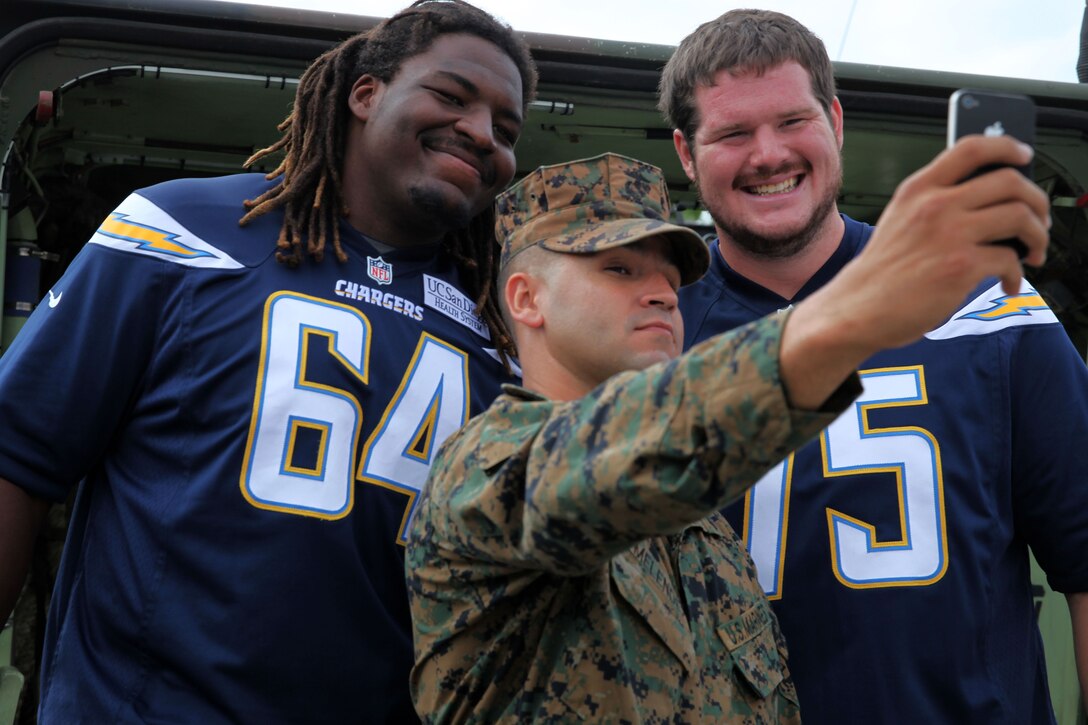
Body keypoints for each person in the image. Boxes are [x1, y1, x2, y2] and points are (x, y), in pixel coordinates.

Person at [0, 1, 536, 721]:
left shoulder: (500, 333)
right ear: (365, 93)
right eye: (451, 96)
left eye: (506, 129)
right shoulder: (181, 231)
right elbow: (19, 456)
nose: (481, 133)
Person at [405, 143, 1050, 723]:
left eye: (670, 276)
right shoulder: (484, 469)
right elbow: (611, 463)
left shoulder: (706, 532)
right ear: (526, 299)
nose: (661, 293)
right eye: (621, 270)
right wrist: (859, 308)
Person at [659, 9, 1088, 723]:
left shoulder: (985, 300)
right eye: (733, 133)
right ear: (686, 151)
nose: (768, 154)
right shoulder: (655, 334)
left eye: (792, 121)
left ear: (835, 120)